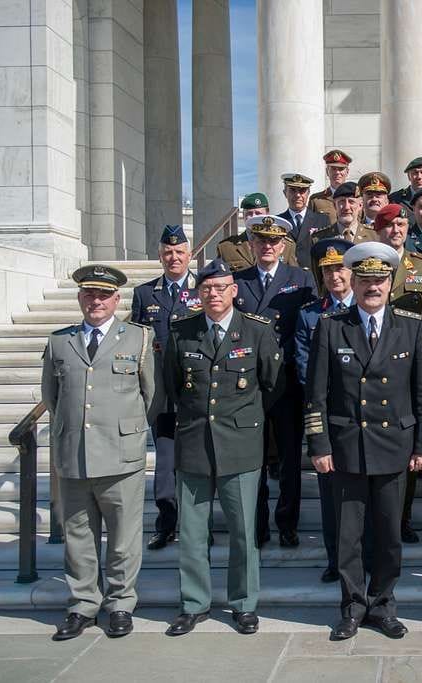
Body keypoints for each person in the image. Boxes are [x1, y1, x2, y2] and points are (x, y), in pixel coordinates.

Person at [305, 241, 422, 641]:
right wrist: (320, 446)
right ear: (353, 282)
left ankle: (383, 606)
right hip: (347, 448)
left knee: (388, 537)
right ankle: (351, 607)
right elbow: (317, 396)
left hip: (394, 446)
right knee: (349, 538)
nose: (372, 287)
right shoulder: (331, 326)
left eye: (379, 280)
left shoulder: (410, 326)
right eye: (365, 280)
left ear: (390, 282)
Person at [162, 258, 282, 636]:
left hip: (241, 444)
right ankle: (194, 603)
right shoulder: (182, 331)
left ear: (234, 291)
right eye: (207, 289)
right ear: (198, 294)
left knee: (244, 533)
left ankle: (243, 604)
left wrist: (247, 421)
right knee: (193, 532)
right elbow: (172, 385)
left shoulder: (257, 331)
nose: (213, 295)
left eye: (221, 288)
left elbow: (273, 385)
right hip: (195, 443)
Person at [42, 264, 157, 640]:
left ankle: (121, 603)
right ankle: (82, 604)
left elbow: (149, 395)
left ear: (116, 299)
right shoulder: (60, 341)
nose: (96, 301)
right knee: (78, 538)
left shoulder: (137, 338)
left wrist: (131, 433)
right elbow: (53, 398)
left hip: (121, 456)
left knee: (123, 538)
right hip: (74, 455)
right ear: (79, 298)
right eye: (89, 294)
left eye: (104, 295)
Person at [233, 215, 317, 547]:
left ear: (284, 245)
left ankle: (287, 523)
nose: (267, 246)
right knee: (252, 458)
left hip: (288, 383)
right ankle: (257, 525)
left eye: (274, 241)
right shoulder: (236, 281)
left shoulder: (301, 279)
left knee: (289, 457)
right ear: (251, 244)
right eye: (261, 240)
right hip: (249, 384)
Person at [130, 225, 200, 551]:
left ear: (189, 255)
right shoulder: (145, 294)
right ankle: (166, 523)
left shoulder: (205, 289)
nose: (174, 257)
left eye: (180, 252)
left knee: (198, 459)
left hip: (197, 392)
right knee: (165, 460)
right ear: (160, 257)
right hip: (162, 393)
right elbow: (138, 344)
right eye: (168, 253)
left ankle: (198, 524)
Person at [294, 238, 356, 583]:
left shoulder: (366, 307)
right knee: (331, 495)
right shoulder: (310, 315)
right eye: (328, 269)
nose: (334, 275)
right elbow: (304, 366)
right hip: (329, 417)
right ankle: (336, 559)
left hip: (365, 416)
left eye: (340, 267)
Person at [374, 202, 422, 542]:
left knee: (407, 445)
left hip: (408, 366)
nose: (395, 231)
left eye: (401, 225)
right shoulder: (363, 264)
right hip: (368, 366)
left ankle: (403, 517)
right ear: (378, 230)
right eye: (389, 225)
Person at [301, 182, 378, 270]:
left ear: (360, 205)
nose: (346, 207)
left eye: (351, 202)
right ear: (334, 205)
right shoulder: (319, 238)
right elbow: (316, 275)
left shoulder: (374, 236)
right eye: (341, 202)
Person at [217, 193, 268, 272]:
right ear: (243, 216)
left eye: (258, 213)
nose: (253, 217)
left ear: (267, 215)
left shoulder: (284, 245)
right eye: (249, 214)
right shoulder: (226, 247)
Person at [279, 173, 331, 243]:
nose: (297, 195)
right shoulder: (279, 222)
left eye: (302, 190)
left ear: (308, 193)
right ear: (285, 193)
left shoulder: (322, 220)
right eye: (292, 190)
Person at [309, 148, 353, 223]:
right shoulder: (316, 200)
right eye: (333, 169)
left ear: (347, 172)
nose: (337, 172)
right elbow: (310, 227)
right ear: (327, 172)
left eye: (341, 169)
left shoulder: (356, 198)